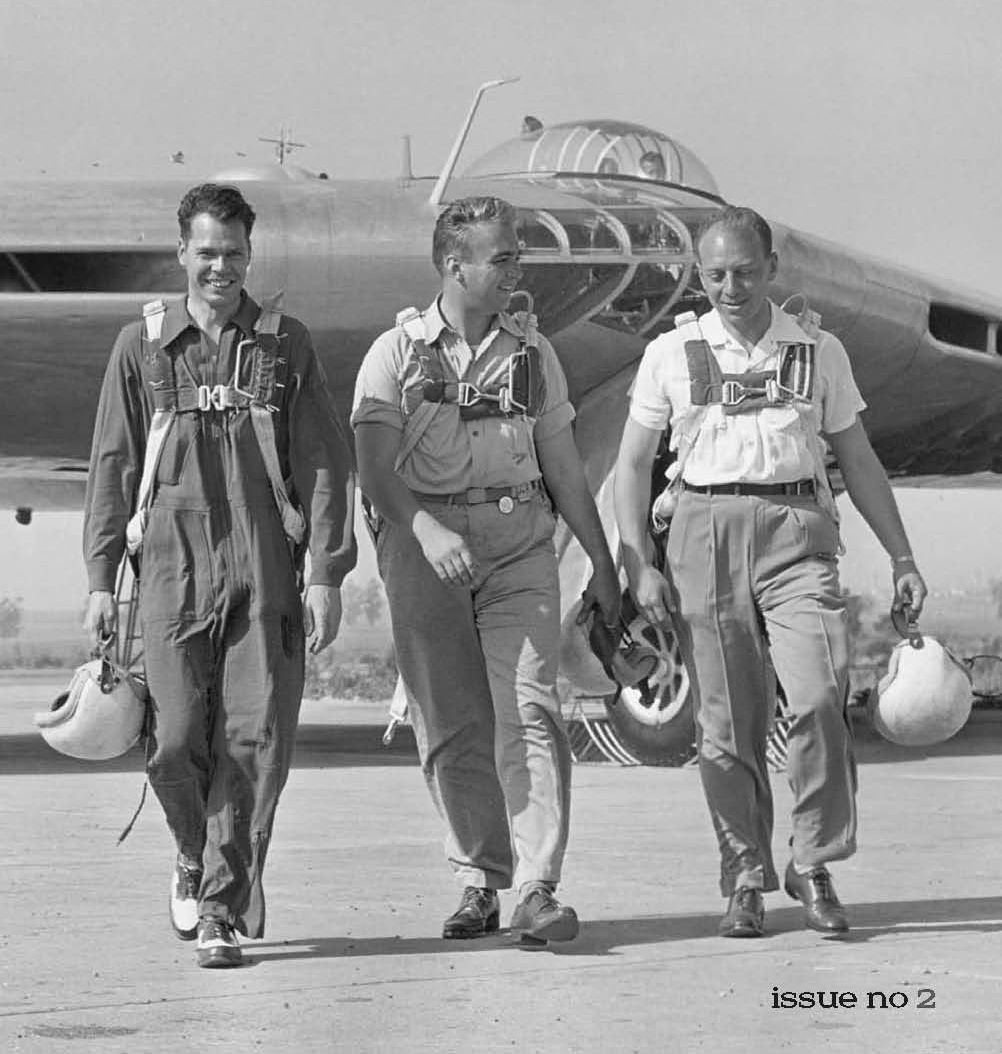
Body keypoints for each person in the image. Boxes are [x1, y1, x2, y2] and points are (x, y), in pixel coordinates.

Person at [614, 206, 927, 939]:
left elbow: (858, 458)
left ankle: (812, 860)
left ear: (772, 270)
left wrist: (903, 555)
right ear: (699, 274)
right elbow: (633, 464)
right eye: (717, 274)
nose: (731, 287)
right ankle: (745, 876)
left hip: (797, 534)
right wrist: (637, 562)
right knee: (727, 727)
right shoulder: (670, 352)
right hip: (701, 533)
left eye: (746, 273)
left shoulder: (819, 351)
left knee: (819, 695)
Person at [82, 183, 356, 968]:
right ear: (181, 254)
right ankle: (191, 850)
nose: (221, 267)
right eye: (206, 252)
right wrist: (102, 576)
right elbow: (112, 461)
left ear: (250, 255)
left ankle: (220, 909)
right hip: (171, 560)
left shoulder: (283, 344)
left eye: (234, 253)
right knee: (171, 739)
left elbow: (325, 459)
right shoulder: (142, 347)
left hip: (265, 557)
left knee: (252, 737)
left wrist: (327, 572)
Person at [352, 195, 619, 943]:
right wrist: (427, 529)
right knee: (449, 723)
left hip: (518, 546)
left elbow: (563, 465)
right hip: (423, 546)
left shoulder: (534, 353)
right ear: (454, 265)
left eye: (515, 256)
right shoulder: (396, 354)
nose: (515, 270)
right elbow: (374, 468)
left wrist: (600, 562)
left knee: (530, 706)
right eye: (502, 257)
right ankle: (479, 878)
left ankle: (537, 886)